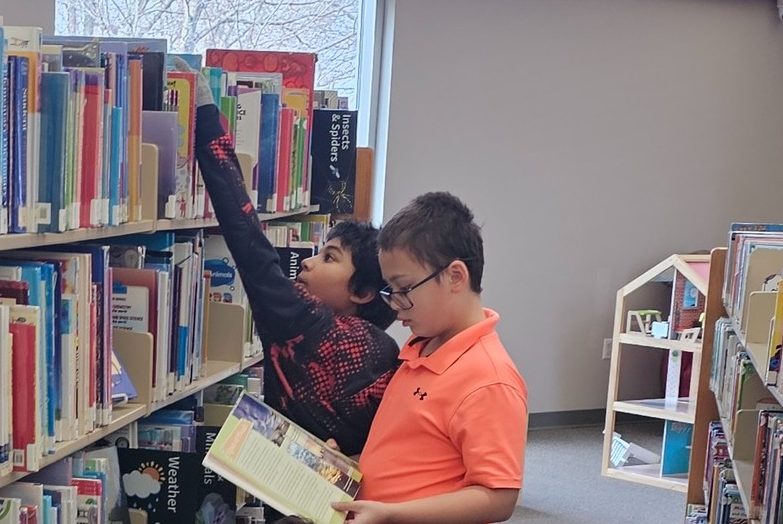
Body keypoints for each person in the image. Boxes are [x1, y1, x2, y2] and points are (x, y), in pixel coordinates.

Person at [174, 58, 401, 457]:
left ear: (364, 291)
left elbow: (246, 237)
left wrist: (207, 119)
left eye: (330, 258)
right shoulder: (387, 349)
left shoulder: (304, 322)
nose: (309, 263)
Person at [332, 192, 528, 524]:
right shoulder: (420, 348)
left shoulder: (489, 379)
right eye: (389, 290)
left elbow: (498, 497)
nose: (393, 304)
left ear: (455, 277)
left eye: (404, 289)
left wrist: (392, 514)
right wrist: (347, 467)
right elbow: (412, 456)